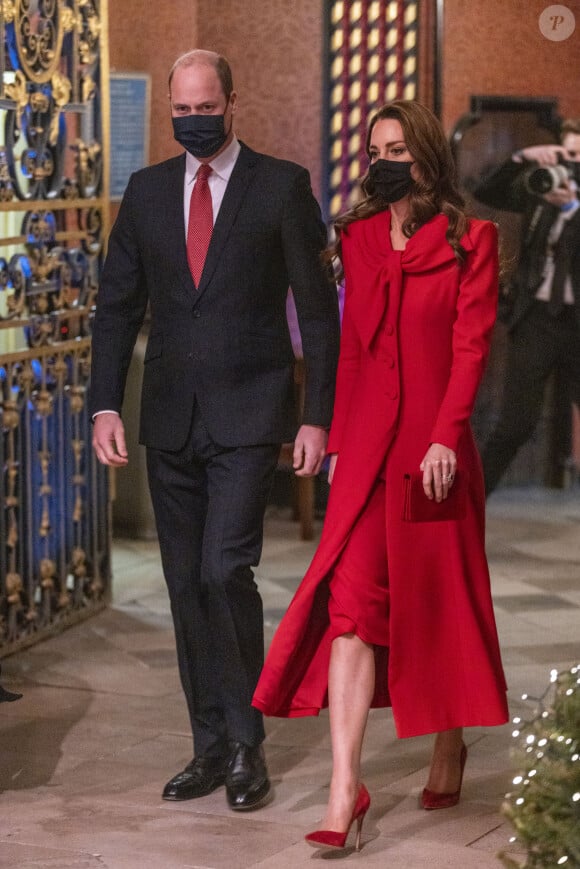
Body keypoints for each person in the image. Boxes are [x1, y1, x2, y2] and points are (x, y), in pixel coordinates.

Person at [252, 100, 508, 850]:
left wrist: (445, 439)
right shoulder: (359, 238)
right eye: (375, 149)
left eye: (397, 147)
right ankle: (343, 791)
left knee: (438, 605)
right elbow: (358, 351)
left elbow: (471, 349)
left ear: (427, 156)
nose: (384, 159)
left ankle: (448, 741)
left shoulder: (474, 241)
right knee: (352, 612)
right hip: (367, 456)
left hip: (434, 458)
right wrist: (335, 444)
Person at [90, 49, 340, 811]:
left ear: (234, 103)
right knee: (182, 585)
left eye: (207, 107)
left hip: (248, 415)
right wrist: (104, 402)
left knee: (222, 570)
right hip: (169, 418)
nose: (193, 119)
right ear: (171, 106)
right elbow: (117, 306)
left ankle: (245, 741)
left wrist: (316, 416)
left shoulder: (281, 186)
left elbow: (318, 310)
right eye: (183, 108)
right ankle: (206, 744)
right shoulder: (147, 191)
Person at [473, 120, 580, 495]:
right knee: (514, 425)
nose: (571, 165)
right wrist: (522, 159)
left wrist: (573, 208)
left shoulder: (566, 200)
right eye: (567, 155)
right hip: (536, 320)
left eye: (578, 157)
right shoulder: (542, 189)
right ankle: (467, 510)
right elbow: (489, 192)